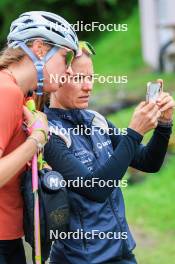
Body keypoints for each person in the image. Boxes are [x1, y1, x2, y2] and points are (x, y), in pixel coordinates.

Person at [44, 42, 175, 264]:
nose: (88, 86)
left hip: (122, 251)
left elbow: (148, 162)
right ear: (57, 79)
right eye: (78, 79)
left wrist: (164, 125)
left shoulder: (96, 121)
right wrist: (134, 132)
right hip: (82, 259)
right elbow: (95, 188)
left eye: (91, 77)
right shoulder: (48, 133)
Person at [0, 11, 78, 264]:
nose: (67, 70)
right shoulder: (6, 91)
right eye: (64, 57)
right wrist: (37, 139)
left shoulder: (21, 95)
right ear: (40, 48)